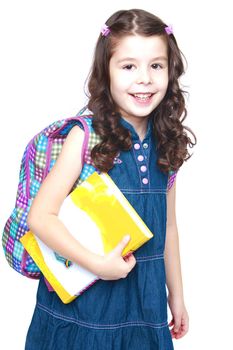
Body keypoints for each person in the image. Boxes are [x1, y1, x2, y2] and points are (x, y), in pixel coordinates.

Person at [25, 8, 196, 350]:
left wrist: (176, 296)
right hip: (85, 309)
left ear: (170, 71)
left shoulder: (166, 143)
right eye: (129, 66)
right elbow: (40, 218)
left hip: (144, 306)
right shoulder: (86, 137)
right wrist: (98, 265)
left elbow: (169, 230)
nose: (144, 78)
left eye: (156, 65)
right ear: (106, 71)